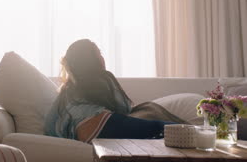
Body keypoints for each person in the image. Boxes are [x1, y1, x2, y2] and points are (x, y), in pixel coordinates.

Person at [44, 39, 176, 143]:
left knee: (153, 116)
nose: (102, 58)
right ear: (92, 60)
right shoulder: (102, 81)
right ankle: (192, 131)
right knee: (160, 126)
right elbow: (124, 108)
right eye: (99, 53)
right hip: (94, 124)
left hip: (87, 125)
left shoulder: (68, 91)